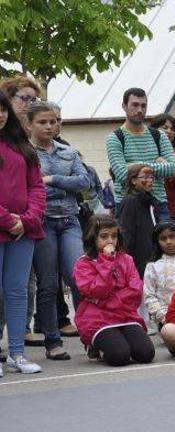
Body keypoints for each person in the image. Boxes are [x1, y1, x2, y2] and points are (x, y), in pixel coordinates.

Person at [29, 102, 89, 360]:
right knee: (49, 282)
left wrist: (52, 180)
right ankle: (52, 341)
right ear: (29, 125)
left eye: (53, 121)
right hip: (42, 222)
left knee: (79, 277)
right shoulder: (25, 154)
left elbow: (84, 182)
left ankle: (91, 335)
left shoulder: (68, 151)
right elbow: (30, 188)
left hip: (69, 220)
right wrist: (65, 186)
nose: (50, 126)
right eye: (43, 122)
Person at [0, 90, 46, 375]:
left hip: (23, 232)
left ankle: (16, 353)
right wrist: (9, 220)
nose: (1, 115)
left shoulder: (22, 146)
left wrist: (27, 220)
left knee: (17, 293)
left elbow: (37, 187)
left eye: (3, 109)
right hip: (8, 227)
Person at [73, 214, 155, 366]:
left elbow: (135, 290)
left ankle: (118, 339)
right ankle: (96, 346)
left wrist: (110, 302)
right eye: (104, 236)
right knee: (119, 356)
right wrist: (106, 261)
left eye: (114, 236)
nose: (110, 241)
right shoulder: (83, 264)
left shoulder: (126, 260)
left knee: (146, 353)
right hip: (98, 318)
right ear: (93, 238)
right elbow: (97, 291)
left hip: (124, 314)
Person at [105, 88, 175, 222]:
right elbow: (121, 174)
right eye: (135, 105)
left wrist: (133, 166)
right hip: (127, 203)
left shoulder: (158, 135)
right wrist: (157, 164)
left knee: (165, 242)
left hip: (158, 202)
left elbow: (173, 169)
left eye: (143, 106)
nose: (140, 110)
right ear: (124, 106)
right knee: (129, 243)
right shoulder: (115, 138)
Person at [142, 222, 175, 334]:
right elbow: (149, 296)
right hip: (168, 318)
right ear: (157, 242)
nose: (168, 242)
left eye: (172, 237)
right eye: (163, 238)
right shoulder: (152, 266)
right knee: (171, 331)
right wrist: (163, 317)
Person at [150, 114, 175, 234]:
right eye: (165, 127)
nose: (169, 131)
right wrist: (172, 169)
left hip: (172, 210)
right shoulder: (145, 150)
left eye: (172, 129)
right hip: (147, 208)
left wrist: (162, 162)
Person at [116, 164, 158, 277]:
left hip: (151, 260)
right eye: (145, 177)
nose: (150, 180)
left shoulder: (149, 201)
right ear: (133, 180)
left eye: (151, 177)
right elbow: (126, 234)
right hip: (137, 263)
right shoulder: (130, 201)